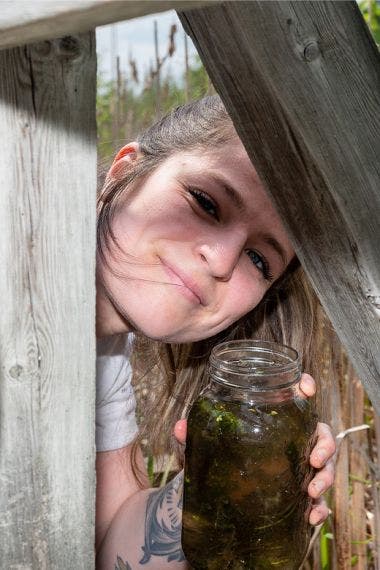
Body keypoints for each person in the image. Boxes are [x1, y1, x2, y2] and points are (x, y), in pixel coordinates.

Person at [94, 96, 336, 569]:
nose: (222, 261)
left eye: (260, 259)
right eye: (206, 202)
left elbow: (111, 546)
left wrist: (230, 478)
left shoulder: (106, 356)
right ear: (124, 173)